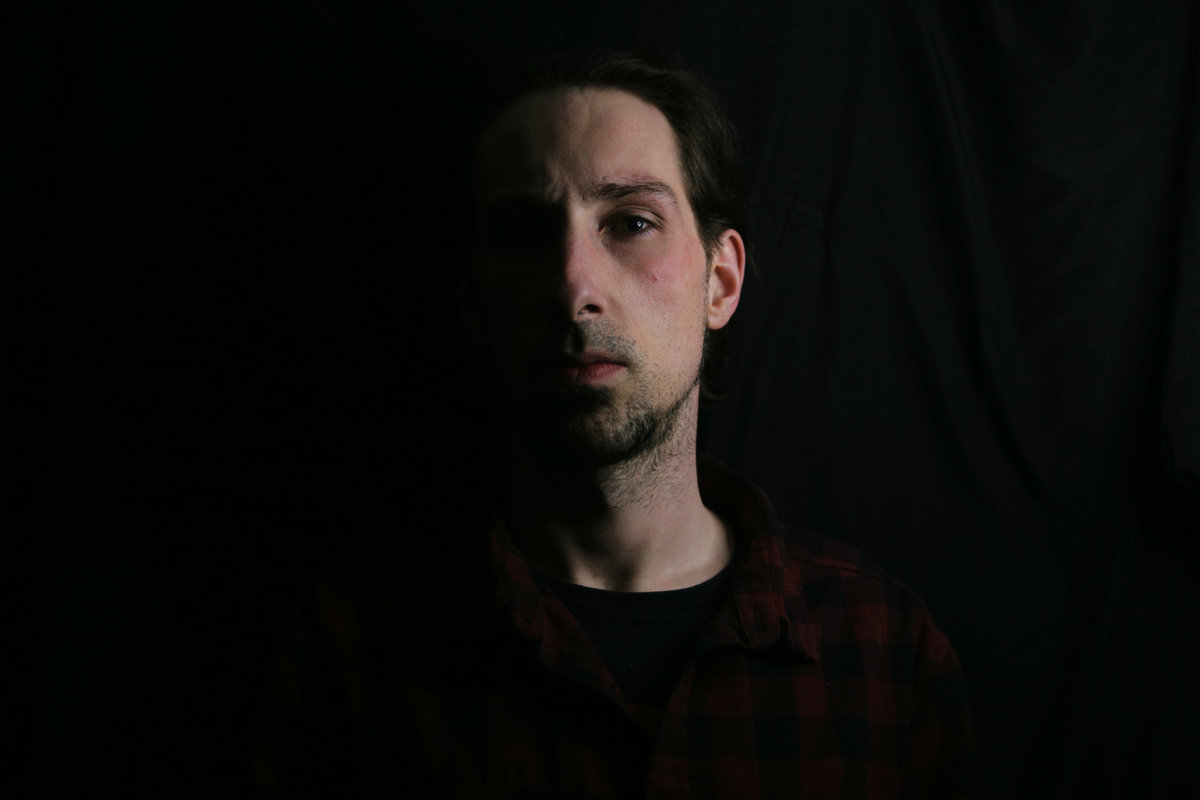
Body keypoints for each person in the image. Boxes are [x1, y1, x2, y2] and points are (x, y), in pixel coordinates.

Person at [260, 50, 978, 799]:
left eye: (632, 222)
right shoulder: (352, 652)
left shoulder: (884, 653)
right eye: (523, 231)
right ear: (472, 300)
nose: (574, 286)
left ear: (720, 281)